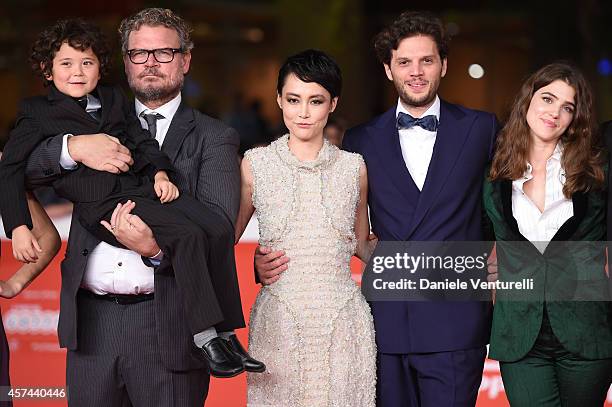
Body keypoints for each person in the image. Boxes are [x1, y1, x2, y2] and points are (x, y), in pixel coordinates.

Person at [256, 11, 497, 406]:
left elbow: (508, 202)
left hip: (455, 323)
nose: (415, 72)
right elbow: (325, 222)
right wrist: (260, 264)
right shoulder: (360, 141)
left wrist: (506, 252)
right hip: (382, 325)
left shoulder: (482, 128)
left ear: (444, 65)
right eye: (404, 62)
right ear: (388, 69)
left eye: (426, 60)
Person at [0, 17, 261, 379]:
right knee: (187, 234)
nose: (77, 72)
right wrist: (69, 152)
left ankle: (227, 334)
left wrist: (159, 173)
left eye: (87, 63)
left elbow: (140, 142)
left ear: (185, 60)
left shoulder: (113, 100)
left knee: (214, 228)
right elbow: (12, 168)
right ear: (47, 69)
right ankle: (207, 339)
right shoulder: (36, 111)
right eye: (140, 53)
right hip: (104, 211)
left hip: (143, 197)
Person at [235, 49, 377, 406]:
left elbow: (361, 245)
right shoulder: (255, 164)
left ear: (332, 104)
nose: (303, 112)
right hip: (279, 320)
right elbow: (223, 241)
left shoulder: (353, 167)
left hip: (344, 321)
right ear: (279, 99)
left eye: (315, 101)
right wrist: (254, 266)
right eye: (294, 99)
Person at [484, 62, 612, 406]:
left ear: (575, 119)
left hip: (587, 334)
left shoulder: (596, 171)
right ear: (528, 99)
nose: (554, 112)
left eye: (567, 107)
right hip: (519, 337)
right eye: (547, 99)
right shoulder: (494, 174)